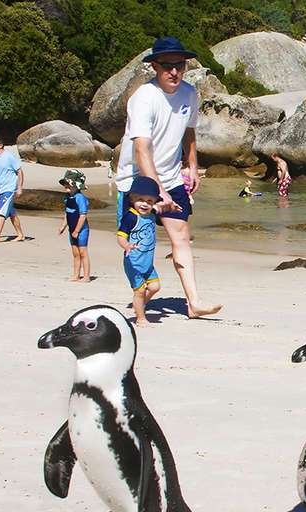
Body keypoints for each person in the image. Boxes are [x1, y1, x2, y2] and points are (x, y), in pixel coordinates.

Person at [113, 36, 221, 318]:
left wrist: (193, 166)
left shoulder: (188, 94)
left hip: (172, 176)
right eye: (167, 66)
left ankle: (194, 302)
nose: (174, 71)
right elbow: (141, 148)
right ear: (154, 67)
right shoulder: (143, 98)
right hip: (137, 180)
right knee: (139, 242)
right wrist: (157, 189)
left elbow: (189, 131)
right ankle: (143, 293)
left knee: (181, 236)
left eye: (180, 65)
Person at [117, 176, 163, 326]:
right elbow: (121, 236)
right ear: (132, 198)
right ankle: (140, 318)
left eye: (150, 201)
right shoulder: (130, 217)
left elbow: (163, 217)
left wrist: (170, 208)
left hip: (147, 262)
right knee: (140, 291)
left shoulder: (151, 215)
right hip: (134, 263)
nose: (145, 204)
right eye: (141, 200)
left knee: (155, 287)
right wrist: (126, 246)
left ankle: (139, 305)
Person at [58, 169, 91, 282]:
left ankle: (86, 276)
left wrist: (77, 231)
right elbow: (67, 213)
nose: (66, 186)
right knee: (75, 253)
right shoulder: (67, 197)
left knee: (83, 253)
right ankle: (76, 274)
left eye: (69, 183)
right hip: (71, 229)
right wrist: (63, 226)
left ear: (76, 186)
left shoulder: (80, 198)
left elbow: (83, 216)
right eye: (65, 183)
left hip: (81, 230)